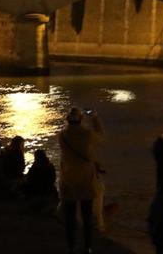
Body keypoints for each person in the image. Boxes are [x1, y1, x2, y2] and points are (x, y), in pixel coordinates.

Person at [58, 107, 103, 254]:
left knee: (70, 217)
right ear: (81, 119)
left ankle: (70, 246)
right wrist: (95, 118)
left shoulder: (62, 136)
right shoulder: (87, 134)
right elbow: (101, 136)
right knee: (87, 216)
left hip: (68, 180)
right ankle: (87, 247)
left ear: (67, 120)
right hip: (86, 180)